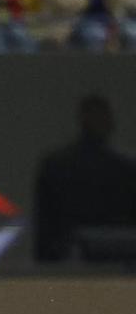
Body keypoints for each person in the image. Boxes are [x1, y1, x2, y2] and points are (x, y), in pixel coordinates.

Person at [34, 94, 136, 261]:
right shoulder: (58, 166)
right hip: (76, 256)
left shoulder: (56, 165)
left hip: (103, 257)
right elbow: (46, 224)